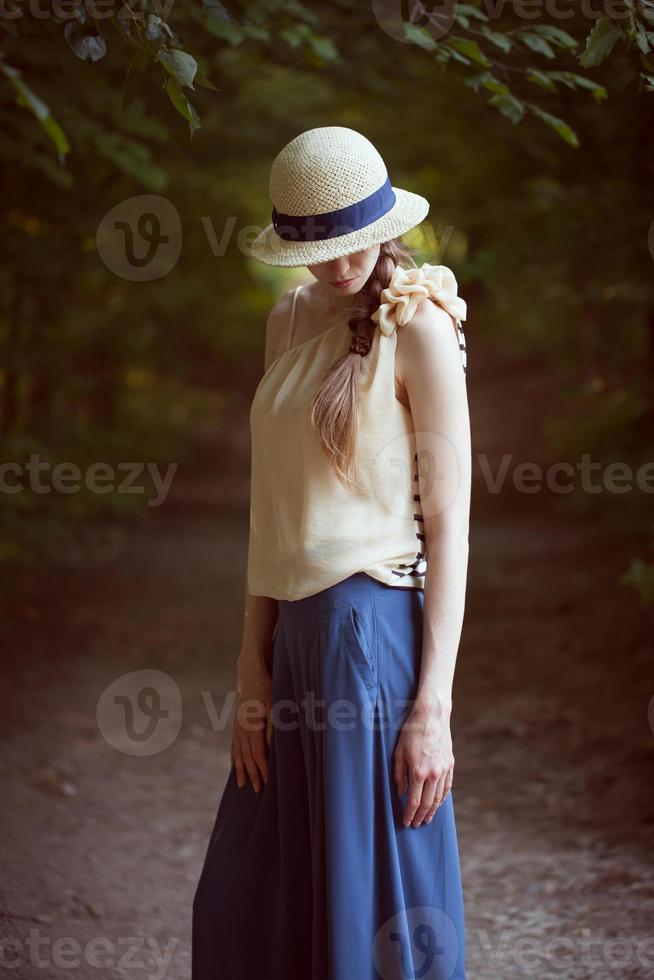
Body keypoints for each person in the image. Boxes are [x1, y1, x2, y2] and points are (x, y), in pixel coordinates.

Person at [192, 126, 470, 980]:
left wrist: (434, 707)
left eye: (352, 245)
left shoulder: (418, 324)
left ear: (381, 226)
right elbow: (268, 509)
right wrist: (251, 666)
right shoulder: (287, 319)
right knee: (249, 896)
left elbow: (453, 523)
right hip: (292, 637)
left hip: (367, 634)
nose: (340, 266)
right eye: (318, 248)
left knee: (365, 900)